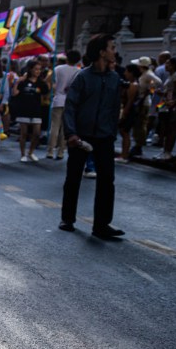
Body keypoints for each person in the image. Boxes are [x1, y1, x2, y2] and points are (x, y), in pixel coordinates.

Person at [60, 34, 123, 240]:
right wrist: (71, 133)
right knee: (73, 178)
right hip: (81, 136)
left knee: (107, 180)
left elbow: (115, 109)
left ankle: (102, 224)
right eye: (112, 47)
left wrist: (112, 133)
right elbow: (70, 107)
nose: (115, 51)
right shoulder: (83, 77)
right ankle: (67, 218)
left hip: (105, 136)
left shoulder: (115, 78)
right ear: (102, 52)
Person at [10, 57, 49, 162]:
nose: (38, 71)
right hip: (24, 109)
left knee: (36, 133)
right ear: (31, 69)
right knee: (24, 133)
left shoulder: (41, 83)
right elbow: (15, 93)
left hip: (36, 110)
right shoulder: (23, 82)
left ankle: (31, 152)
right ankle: (23, 154)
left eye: (39, 69)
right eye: (36, 69)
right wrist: (17, 82)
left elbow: (46, 92)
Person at [46, 51, 80, 159]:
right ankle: (61, 151)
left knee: (55, 127)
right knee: (65, 128)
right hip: (70, 101)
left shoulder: (58, 68)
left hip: (58, 99)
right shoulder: (79, 71)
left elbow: (48, 80)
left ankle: (50, 151)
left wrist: (54, 88)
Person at [118, 63, 143, 160]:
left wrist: (124, 113)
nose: (125, 73)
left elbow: (130, 101)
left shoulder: (133, 85)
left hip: (129, 111)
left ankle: (124, 155)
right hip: (129, 110)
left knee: (124, 132)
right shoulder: (130, 84)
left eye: (127, 71)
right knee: (123, 132)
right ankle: (124, 154)